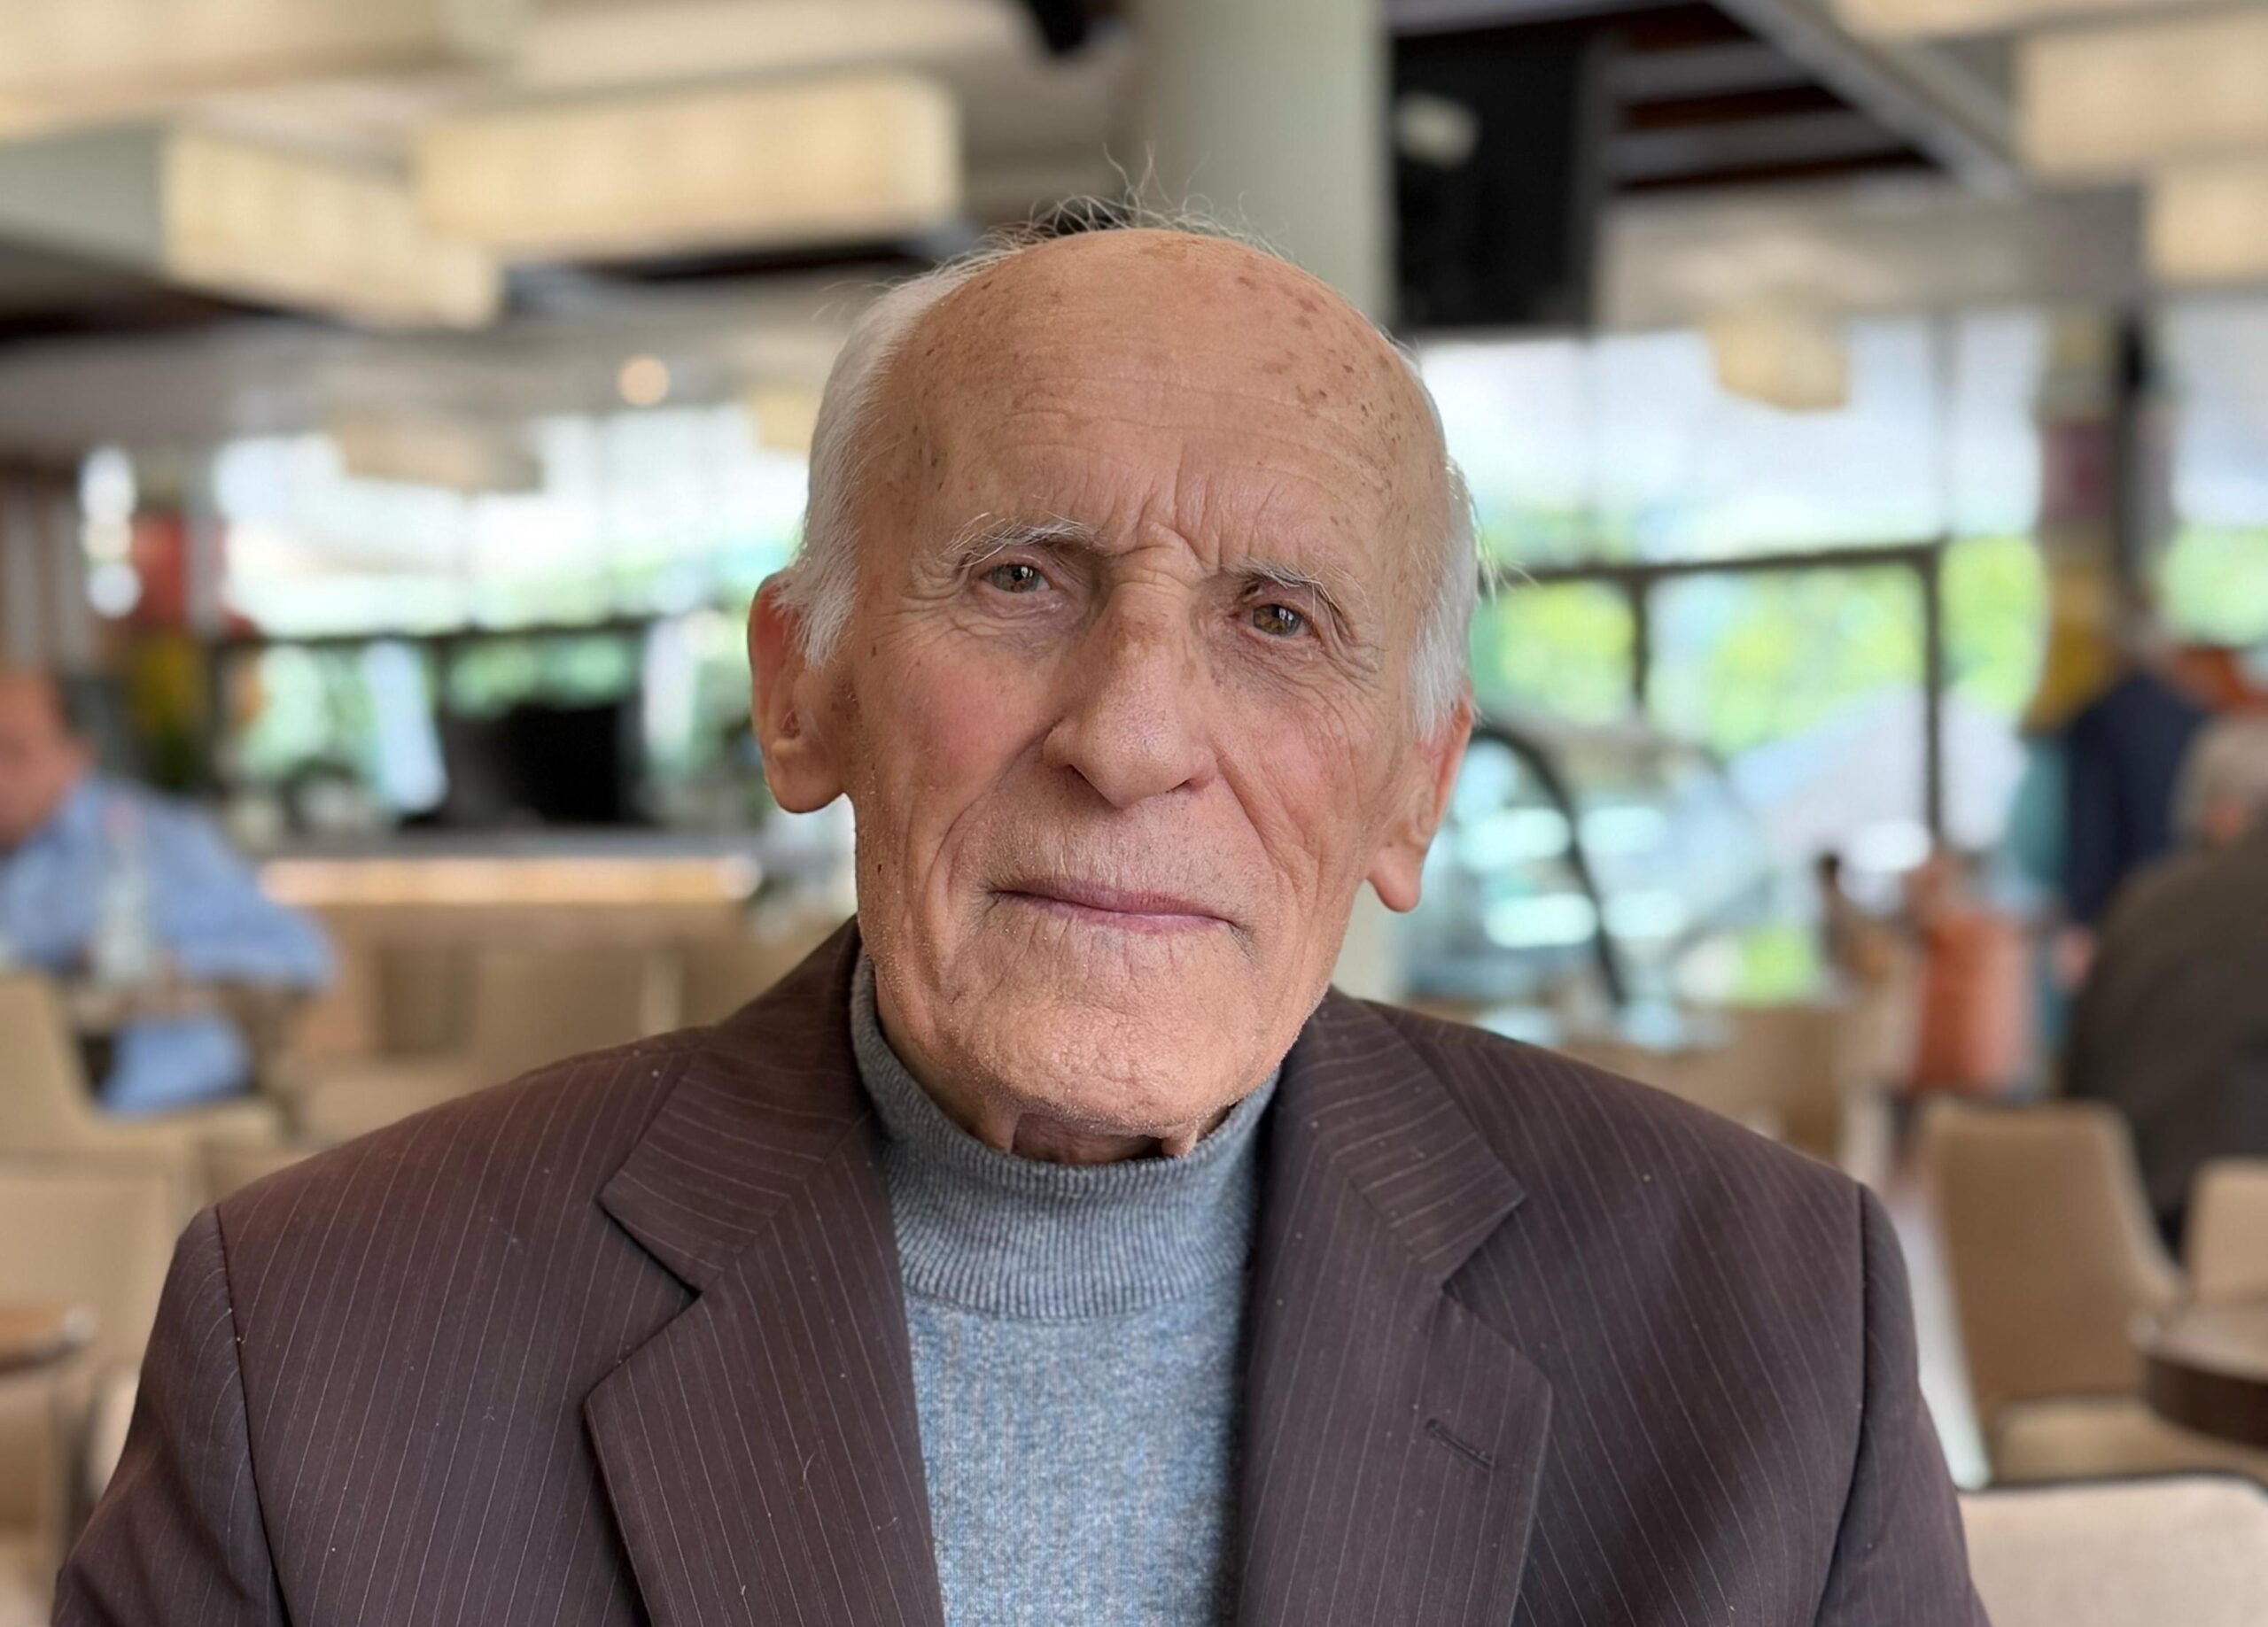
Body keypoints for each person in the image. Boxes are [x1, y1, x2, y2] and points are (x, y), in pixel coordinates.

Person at [58, 225, 1982, 1626]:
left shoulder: (1767, 1321)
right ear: (800, 692)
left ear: (1412, 786)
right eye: (1018, 578)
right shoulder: (317, 1343)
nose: (1131, 739)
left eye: (1278, 617)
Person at [0, 670, 329, 1113]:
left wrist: (166, 961)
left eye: (14, 751)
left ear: (77, 754)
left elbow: (302, 952)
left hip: (149, 1110)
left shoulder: (161, 839)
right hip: (22, 1109)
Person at [2066, 713, 2268, 1245]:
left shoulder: (2137, 901)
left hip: (2120, 1230)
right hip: (2243, 1238)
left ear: (2221, 815)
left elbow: (2074, 1087)